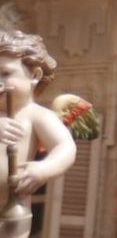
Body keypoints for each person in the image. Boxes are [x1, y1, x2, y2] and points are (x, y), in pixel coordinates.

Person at [0, 30, 77, 228]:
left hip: (11, 213)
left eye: (5, 73)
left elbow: (65, 147)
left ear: (34, 75)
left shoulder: (36, 115)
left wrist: (43, 169)